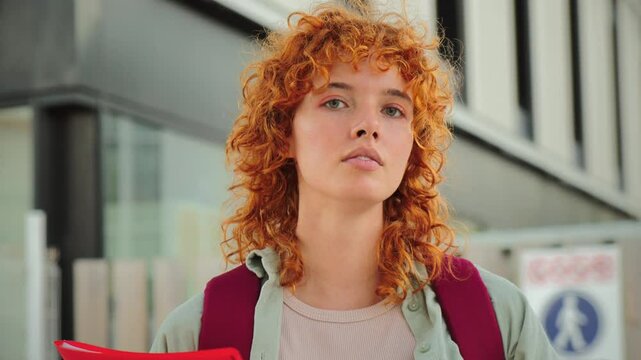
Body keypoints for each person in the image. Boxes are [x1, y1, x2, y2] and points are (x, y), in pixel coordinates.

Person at [151, 3, 558, 359]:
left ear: (413, 145)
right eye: (335, 101)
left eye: (393, 109)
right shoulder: (198, 333)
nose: (368, 126)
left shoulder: (495, 317)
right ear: (284, 134)